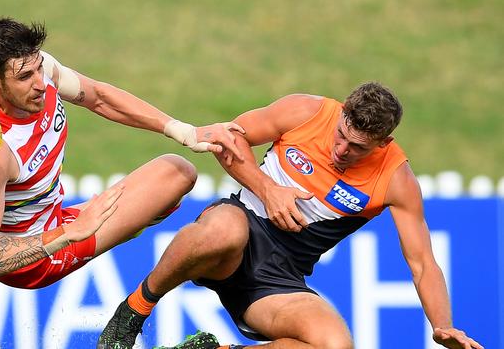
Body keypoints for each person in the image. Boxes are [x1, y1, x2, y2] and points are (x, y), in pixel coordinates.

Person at [0, 17, 245, 329]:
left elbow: (98, 96)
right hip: (34, 256)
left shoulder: (33, 71)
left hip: (21, 207)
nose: (41, 82)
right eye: (26, 76)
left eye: (39, 67)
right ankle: (128, 241)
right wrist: (68, 233)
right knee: (177, 174)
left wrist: (181, 129)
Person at [98, 83, 483, 349]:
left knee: (335, 343)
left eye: (357, 147)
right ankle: (132, 313)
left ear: (384, 142)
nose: (341, 150)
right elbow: (225, 138)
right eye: (341, 135)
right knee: (223, 231)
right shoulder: (306, 111)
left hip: (278, 278)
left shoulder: (397, 180)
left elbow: (422, 263)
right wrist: (268, 189)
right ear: (342, 112)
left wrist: (441, 325)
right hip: (238, 227)